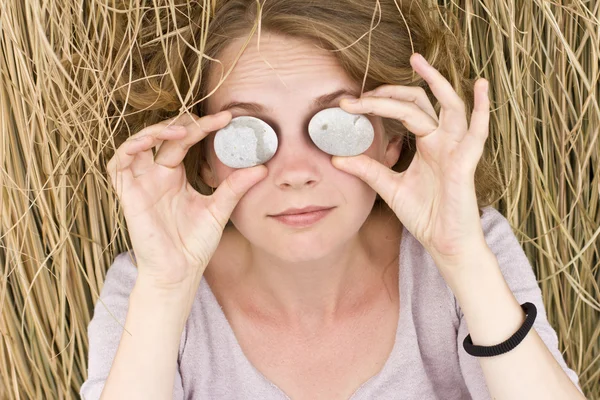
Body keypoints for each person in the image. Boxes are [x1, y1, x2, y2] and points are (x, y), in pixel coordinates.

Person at [80, 1, 585, 399]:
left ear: (392, 138)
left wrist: (463, 258)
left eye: (336, 126)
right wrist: (166, 288)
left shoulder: (470, 248)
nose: (296, 174)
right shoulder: (149, 285)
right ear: (206, 157)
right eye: (246, 133)